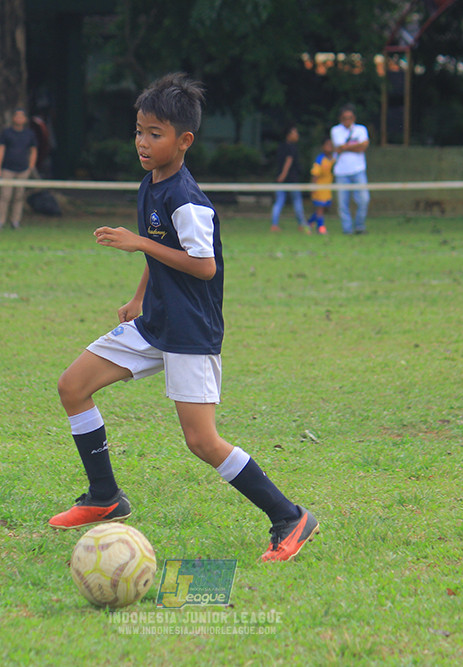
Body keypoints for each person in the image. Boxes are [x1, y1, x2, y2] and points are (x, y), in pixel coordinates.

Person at [49, 73, 319, 563]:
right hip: (154, 323)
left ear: (184, 140)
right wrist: (137, 296)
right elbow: (162, 253)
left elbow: (202, 264)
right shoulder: (150, 183)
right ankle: (104, 495)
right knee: (72, 386)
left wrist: (138, 243)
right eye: (138, 131)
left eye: (155, 134)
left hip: (190, 333)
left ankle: (290, 516)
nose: (143, 142)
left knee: (201, 440)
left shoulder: (188, 200)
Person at [0, 108, 37, 229]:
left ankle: (15, 221)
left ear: (25, 119)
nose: (19, 119)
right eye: (16, 116)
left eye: (21, 116)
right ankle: (0, 221)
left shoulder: (29, 134)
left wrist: (31, 167)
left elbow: (33, 150)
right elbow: (0, 150)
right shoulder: (6, 133)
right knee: (5, 196)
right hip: (7, 169)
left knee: (19, 197)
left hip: (23, 169)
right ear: (13, 118)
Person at [330, 104, 370, 235]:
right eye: (345, 118)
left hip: (358, 170)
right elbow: (339, 147)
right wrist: (356, 146)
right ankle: (347, 229)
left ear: (354, 118)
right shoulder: (335, 130)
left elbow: (363, 147)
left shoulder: (361, 129)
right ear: (340, 119)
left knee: (364, 199)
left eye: (350, 117)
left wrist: (346, 147)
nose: (347, 120)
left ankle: (359, 226)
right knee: (343, 204)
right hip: (341, 172)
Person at [270, 125, 309, 233]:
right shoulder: (291, 147)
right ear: (289, 135)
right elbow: (289, 161)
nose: (297, 135)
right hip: (291, 179)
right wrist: (283, 175)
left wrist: (280, 176)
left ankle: (274, 224)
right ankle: (301, 224)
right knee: (297, 201)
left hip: (281, 179)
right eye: (294, 133)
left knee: (279, 201)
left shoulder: (281, 146)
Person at [307, 138, 334, 235]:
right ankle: (321, 228)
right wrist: (313, 187)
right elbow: (315, 174)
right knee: (320, 209)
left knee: (324, 208)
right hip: (319, 188)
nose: (329, 147)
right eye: (327, 145)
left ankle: (309, 223)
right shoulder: (320, 159)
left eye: (331, 145)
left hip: (327, 188)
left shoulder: (333, 158)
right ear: (323, 147)